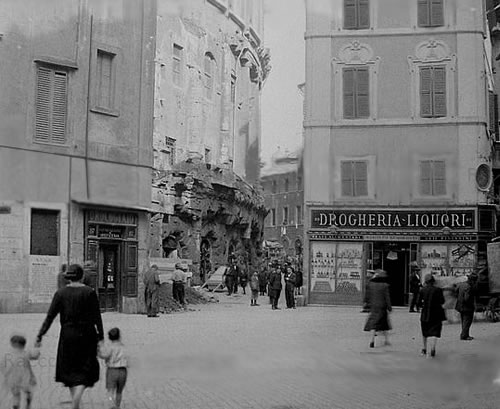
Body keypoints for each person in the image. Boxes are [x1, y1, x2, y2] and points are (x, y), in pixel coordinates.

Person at [36, 264, 104, 409]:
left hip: (68, 335)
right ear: (82, 276)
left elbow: (50, 316)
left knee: (70, 369)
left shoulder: (60, 293)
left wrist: (40, 335)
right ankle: (76, 400)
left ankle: (75, 400)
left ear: (68, 278)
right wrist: (101, 337)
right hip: (87, 334)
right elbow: (97, 317)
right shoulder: (89, 292)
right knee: (85, 368)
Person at [0, 334, 41, 409]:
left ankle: (16, 405)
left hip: (12, 378)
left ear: (12, 344)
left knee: (16, 394)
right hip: (25, 378)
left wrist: (5, 374)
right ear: (23, 345)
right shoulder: (25, 353)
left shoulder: (7, 355)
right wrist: (37, 347)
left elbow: (2, 365)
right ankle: (28, 403)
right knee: (28, 391)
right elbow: (35, 355)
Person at [98, 327, 129, 409]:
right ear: (119, 336)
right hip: (123, 370)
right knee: (119, 391)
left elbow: (105, 355)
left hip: (112, 370)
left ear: (109, 337)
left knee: (110, 391)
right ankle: (118, 406)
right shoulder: (123, 347)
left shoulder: (110, 347)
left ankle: (112, 406)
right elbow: (128, 358)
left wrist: (98, 352)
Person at [364, 269, 392, 348]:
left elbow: (368, 296)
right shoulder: (385, 285)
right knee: (385, 324)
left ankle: (372, 340)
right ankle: (386, 340)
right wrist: (389, 307)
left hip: (374, 307)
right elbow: (387, 298)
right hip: (382, 307)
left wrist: (367, 304)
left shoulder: (371, 285)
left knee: (373, 324)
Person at [455, 272, 478, 341]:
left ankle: (465, 334)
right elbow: (467, 298)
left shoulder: (461, 284)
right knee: (467, 321)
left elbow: (456, 291)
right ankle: (464, 335)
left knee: (464, 321)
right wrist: (472, 305)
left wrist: (459, 298)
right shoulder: (469, 287)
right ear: (472, 281)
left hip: (460, 305)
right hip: (467, 307)